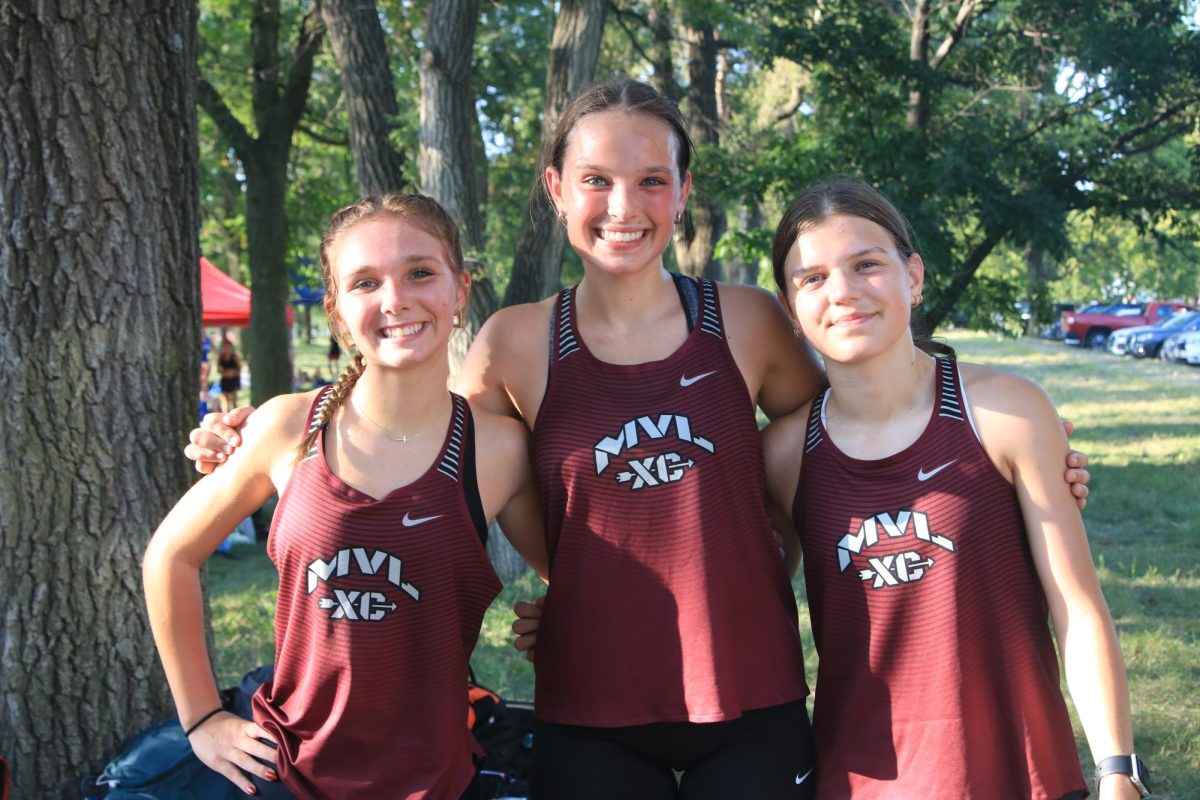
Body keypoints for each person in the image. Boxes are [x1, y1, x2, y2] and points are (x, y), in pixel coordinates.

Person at [184, 81, 1091, 800]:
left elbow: (864, 432)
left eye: (653, 180)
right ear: (555, 191)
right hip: (590, 705)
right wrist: (257, 437)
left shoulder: (748, 322)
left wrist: (1014, 466)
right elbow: (424, 446)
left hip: (753, 698)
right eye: (596, 181)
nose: (625, 205)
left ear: (683, 192)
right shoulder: (513, 343)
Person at [144, 194, 548, 800]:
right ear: (336, 311)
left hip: (437, 779)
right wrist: (202, 717)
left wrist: (562, 622)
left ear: (459, 290)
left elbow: (578, 575)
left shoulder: (499, 450)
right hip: (289, 773)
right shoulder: (287, 428)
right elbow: (169, 556)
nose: (396, 300)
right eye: (365, 282)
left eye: (420, 272)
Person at [761, 179, 1142, 799]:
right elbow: (738, 597)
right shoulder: (782, 454)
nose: (844, 293)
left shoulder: (1006, 412)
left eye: (866, 265)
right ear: (789, 307)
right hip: (860, 781)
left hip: (1021, 774)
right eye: (813, 278)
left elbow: (1077, 605)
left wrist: (1117, 769)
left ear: (913, 276)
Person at [217, 337, 242, 413]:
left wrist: (233, 372)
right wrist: (224, 372)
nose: (226, 349)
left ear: (231, 347)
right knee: (225, 403)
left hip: (233, 380)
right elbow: (218, 370)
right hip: (225, 380)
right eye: (225, 347)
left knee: (234, 402)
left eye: (228, 347)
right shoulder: (221, 357)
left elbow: (239, 369)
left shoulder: (234, 357)